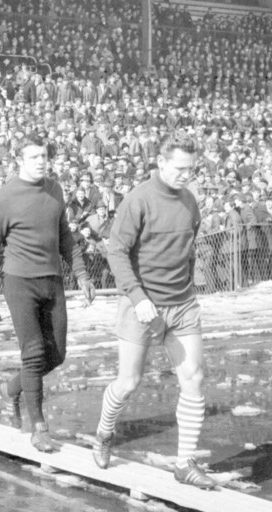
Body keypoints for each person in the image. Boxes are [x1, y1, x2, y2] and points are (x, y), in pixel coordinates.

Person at [92, 131, 215, 489]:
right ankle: (104, 432)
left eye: (191, 169)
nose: (185, 175)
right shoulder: (138, 200)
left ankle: (185, 463)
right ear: (160, 163)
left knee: (194, 377)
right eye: (179, 168)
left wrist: (190, 289)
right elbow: (116, 252)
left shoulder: (190, 201)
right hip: (141, 305)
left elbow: (188, 249)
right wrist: (138, 296)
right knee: (128, 382)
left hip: (182, 303)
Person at [0, 133, 95, 452]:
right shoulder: (3, 198)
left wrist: (81, 274)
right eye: (33, 157)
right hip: (20, 283)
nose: (41, 161)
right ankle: (38, 426)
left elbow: (64, 235)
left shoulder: (54, 190)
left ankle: (13, 388)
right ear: (19, 160)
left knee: (56, 354)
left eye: (44, 155)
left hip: (52, 281)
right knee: (34, 352)